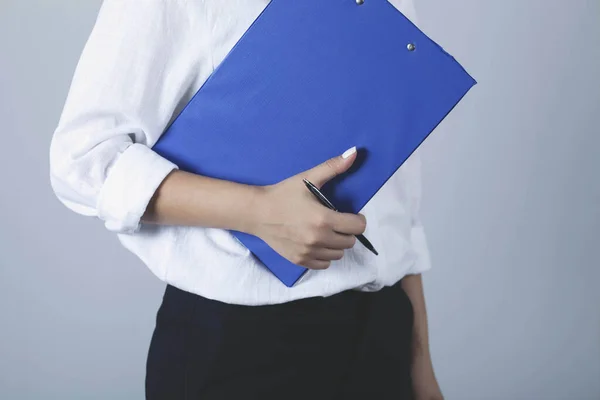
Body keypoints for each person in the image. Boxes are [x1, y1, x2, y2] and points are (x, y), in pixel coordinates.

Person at [49, 1, 444, 399]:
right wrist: (258, 211)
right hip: (243, 347)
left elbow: (396, 199)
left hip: (382, 334)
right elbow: (83, 160)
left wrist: (419, 364)